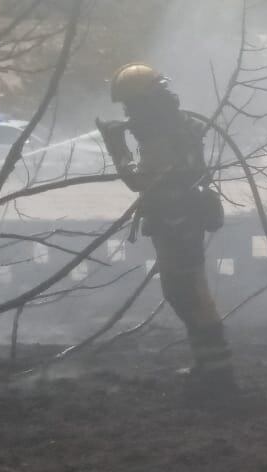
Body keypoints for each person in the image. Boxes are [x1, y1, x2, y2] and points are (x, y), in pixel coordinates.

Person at [99, 63, 236, 400]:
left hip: (177, 220)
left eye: (131, 106)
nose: (128, 114)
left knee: (189, 292)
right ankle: (209, 364)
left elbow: (140, 182)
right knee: (181, 291)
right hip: (180, 217)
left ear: (146, 102)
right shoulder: (175, 127)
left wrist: (117, 148)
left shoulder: (162, 138)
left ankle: (218, 372)